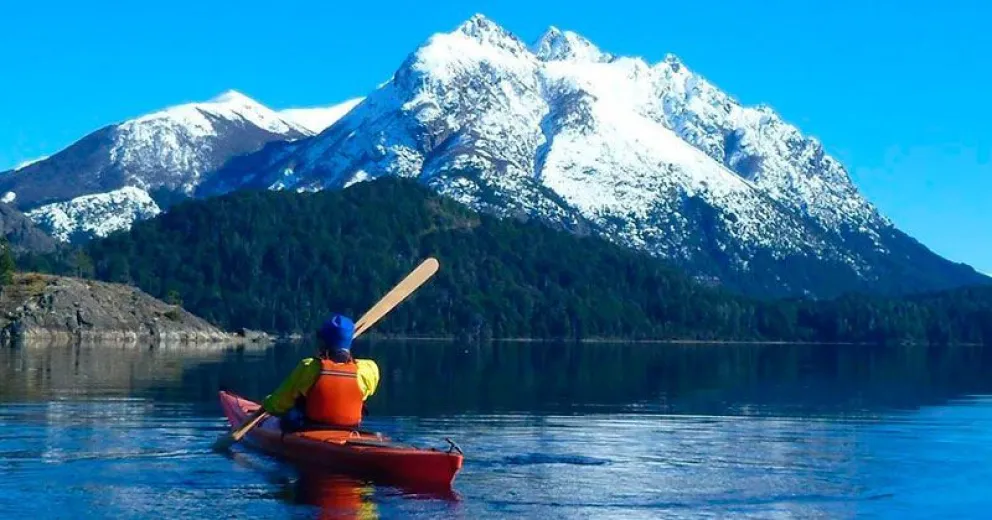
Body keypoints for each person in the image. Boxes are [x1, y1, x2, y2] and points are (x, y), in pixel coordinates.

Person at [261, 314, 380, 432]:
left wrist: (267, 403)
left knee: (272, 421)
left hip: (309, 428)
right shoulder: (367, 370)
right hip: (350, 429)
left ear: (323, 342)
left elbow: (279, 405)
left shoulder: (309, 367)